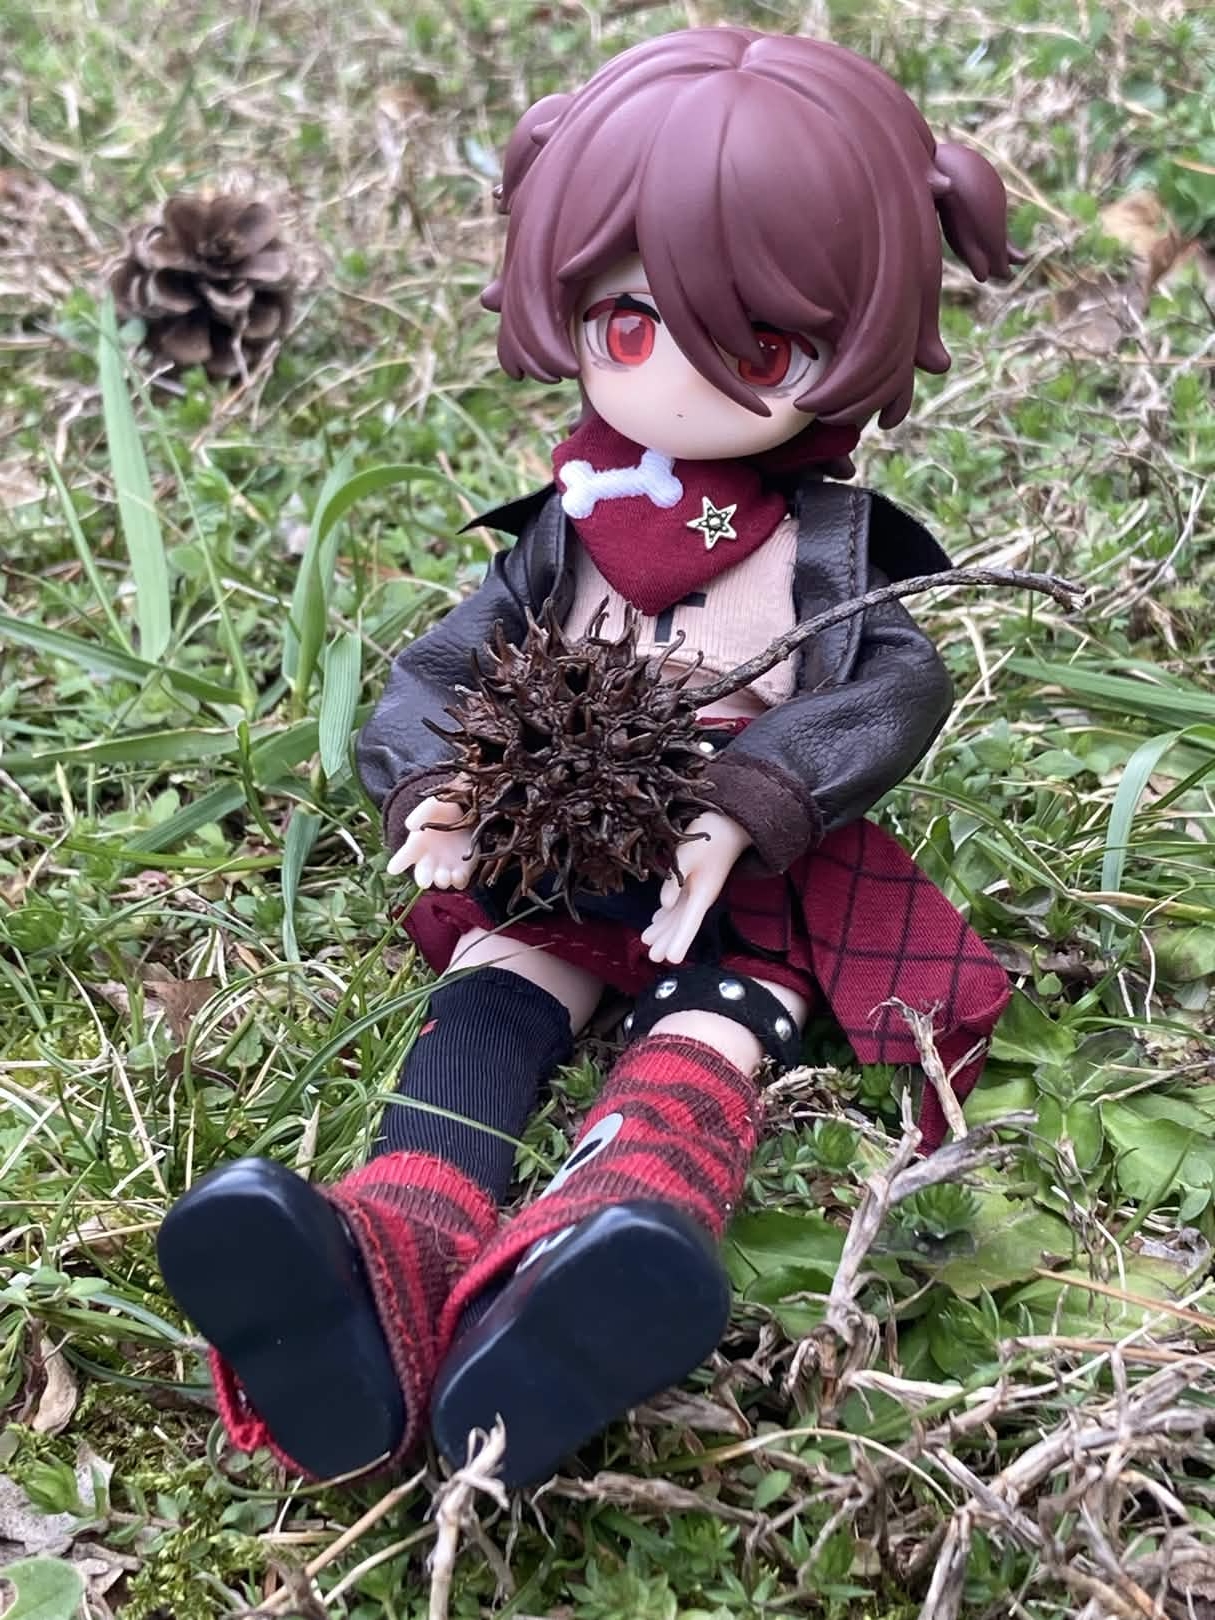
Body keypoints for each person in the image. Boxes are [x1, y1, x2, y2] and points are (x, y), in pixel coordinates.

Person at [158, 26, 1015, 1490]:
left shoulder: (829, 552)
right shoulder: (573, 522)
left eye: (753, 345)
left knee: (715, 1021)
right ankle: (382, 1262)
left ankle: (596, 1265)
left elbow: (894, 684)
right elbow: (448, 659)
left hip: (745, 867)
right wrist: (434, 782)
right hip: (557, 833)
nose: (671, 373)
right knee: (496, 989)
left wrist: (752, 801)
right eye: (627, 325)